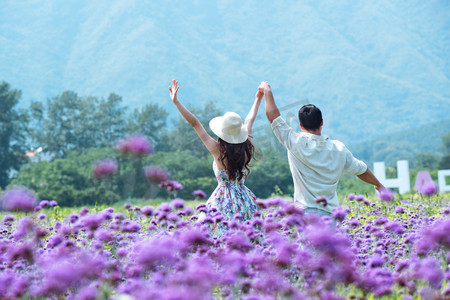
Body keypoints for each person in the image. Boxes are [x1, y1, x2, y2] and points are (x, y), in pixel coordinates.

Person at [259, 81, 384, 218]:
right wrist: (378, 184)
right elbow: (361, 169)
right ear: (322, 122)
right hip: (329, 215)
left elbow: (273, 117)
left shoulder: (295, 142)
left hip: (304, 212)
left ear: (301, 125)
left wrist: (267, 91)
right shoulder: (339, 149)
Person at [169, 79, 261, 234]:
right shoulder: (246, 148)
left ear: (222, 133)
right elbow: (249, 120)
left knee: (216, 237)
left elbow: (196, 124)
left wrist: (176, 102)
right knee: (248, 237)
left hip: (222, 201)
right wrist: (258, 98)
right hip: (245, 200)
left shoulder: (217, 151)